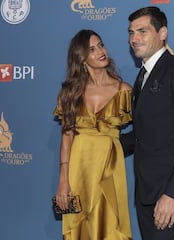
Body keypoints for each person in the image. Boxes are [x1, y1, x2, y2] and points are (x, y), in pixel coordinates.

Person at [120, 6, 174, 240]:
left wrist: (173, 194)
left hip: (171, 192)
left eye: (142, 31)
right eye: (131, 33)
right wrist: (98, 143)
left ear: (163, 33)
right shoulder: (142, 76)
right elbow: (143, 135)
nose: (134, 39)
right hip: (147, 192)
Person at [53, 29, 132, 240]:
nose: (100, 51)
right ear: (82, 58)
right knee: (81, 229)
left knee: (110, 226)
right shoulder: (70, 94)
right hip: (79, 169)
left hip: (110, 168)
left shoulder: (123, 90)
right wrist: (63, 181)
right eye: (92, 49)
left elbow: (146, 130)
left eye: (101, 45)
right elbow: (66, 137)